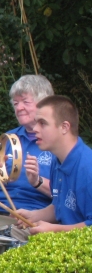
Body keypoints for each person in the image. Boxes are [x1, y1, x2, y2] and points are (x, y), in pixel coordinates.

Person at [0, 75, 54, 213]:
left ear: (44, 104)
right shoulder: (6, 140)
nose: (19, 108)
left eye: (25, 102)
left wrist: (37, 181)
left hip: (34, 214)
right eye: (15, 103)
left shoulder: (57, 143)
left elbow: (67, 195)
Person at [18, 96, 92, 232]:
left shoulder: (88, 168)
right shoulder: (57, 161)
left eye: (42, 123)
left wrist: (54, 230)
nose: (35, 128)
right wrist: (33, 216)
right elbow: (59, 206)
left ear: (64, 127)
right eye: (36, 122)